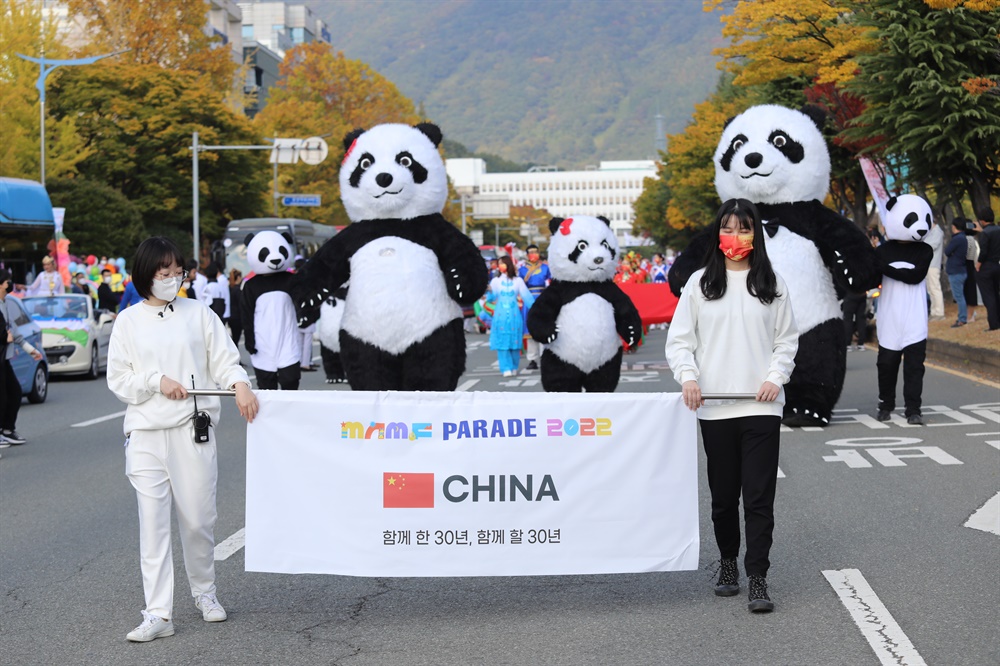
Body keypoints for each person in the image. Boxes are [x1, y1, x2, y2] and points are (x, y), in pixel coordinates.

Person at [106, 237, 258, 643]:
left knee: (197, 520)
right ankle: (158, 613)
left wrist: (240, 383)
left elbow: (226, 360)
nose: (174, 279)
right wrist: (156, 381)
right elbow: (118, 378)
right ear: (145, 275)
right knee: (152, 526)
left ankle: (205, 593)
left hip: (194, 430)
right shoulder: (128, 321)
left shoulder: (199, 314)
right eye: (164, 273)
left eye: (178, 272)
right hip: (145, 434)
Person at [665, 199, 798, 614]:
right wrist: (689, 377)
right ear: (717, 233)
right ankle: (727, 565)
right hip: (715, 407)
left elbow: (786, 341)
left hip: (761, 406)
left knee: (759, 497)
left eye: (744, 229)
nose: (736, 237)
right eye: (728, 228)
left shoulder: (772, 284)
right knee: (724, 497)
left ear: (756, 234)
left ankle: (757, 576)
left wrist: (774, 378)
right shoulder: (700, 284)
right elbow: (680, 340)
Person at [0, 270, 45, 446]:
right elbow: (6, 335)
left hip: (5, 357)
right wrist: (4, 338)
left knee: (14, 392)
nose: (9, 284)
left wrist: (30, 349)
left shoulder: (6, 303)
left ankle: (7, 429)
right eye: (7, 281)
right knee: (3, 396)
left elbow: (15, 332)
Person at [488, 256, 535, 377]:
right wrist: (489, 291)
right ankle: (505, 368)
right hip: (501, 315)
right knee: (502, 343)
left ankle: (514, 366)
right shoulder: (495, 281)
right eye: (499, 264)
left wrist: (536, 309)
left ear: (508, 265)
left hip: (515, 315)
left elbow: (527, 297)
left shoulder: (518, 281)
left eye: (503, 263)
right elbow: (491, 298)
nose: (501, 266)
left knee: (515, 343)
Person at [518, 244, 551, 370]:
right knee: (530, 330)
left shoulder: (546, 268)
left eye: (535, 252)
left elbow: (550, 282)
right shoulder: (522, 270)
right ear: (527, 255)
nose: (533, 254)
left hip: (543, 299)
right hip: (528, 301)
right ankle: (532, 359)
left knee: (544, 328)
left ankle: (545, 357)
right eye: (531, 252)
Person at [973, 207, 1000, 331]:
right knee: (996, 294)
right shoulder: (997, 230)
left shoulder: (985, 233)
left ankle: (993, 324)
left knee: (988, 296)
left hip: (986, 267)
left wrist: (978, 265)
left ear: (982, 220)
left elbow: (983, 252)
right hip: (996, 265)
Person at [944, 218, 970, 328]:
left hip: (956, 271)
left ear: (954, 227)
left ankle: (962, 319)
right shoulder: (964, 238)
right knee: (960, 296)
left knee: (959, 297)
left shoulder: (957, 239)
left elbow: (947, 251)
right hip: (962, 270)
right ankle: (963, 316)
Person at [923, 221, 945, 321]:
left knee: (935, 288)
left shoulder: (937, 232)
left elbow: (932, 246)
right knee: (930, 289)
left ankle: (939, 312)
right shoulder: (930, 232)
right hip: (928, 264)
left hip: (933, 264)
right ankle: (934, 311)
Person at [964, 221, 981, 324]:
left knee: (969, 291)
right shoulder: (973, 239)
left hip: (968, 265)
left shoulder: (967, 239)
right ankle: (970, 313)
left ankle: (970, 315)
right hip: (972, 265)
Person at [228, 269, 244, 346]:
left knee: (234, 339)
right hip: (237, 317)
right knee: (235, 340)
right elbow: (241, 304)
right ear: (238, 277)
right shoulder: (238, 290)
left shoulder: (229, 288)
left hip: (230, 316)